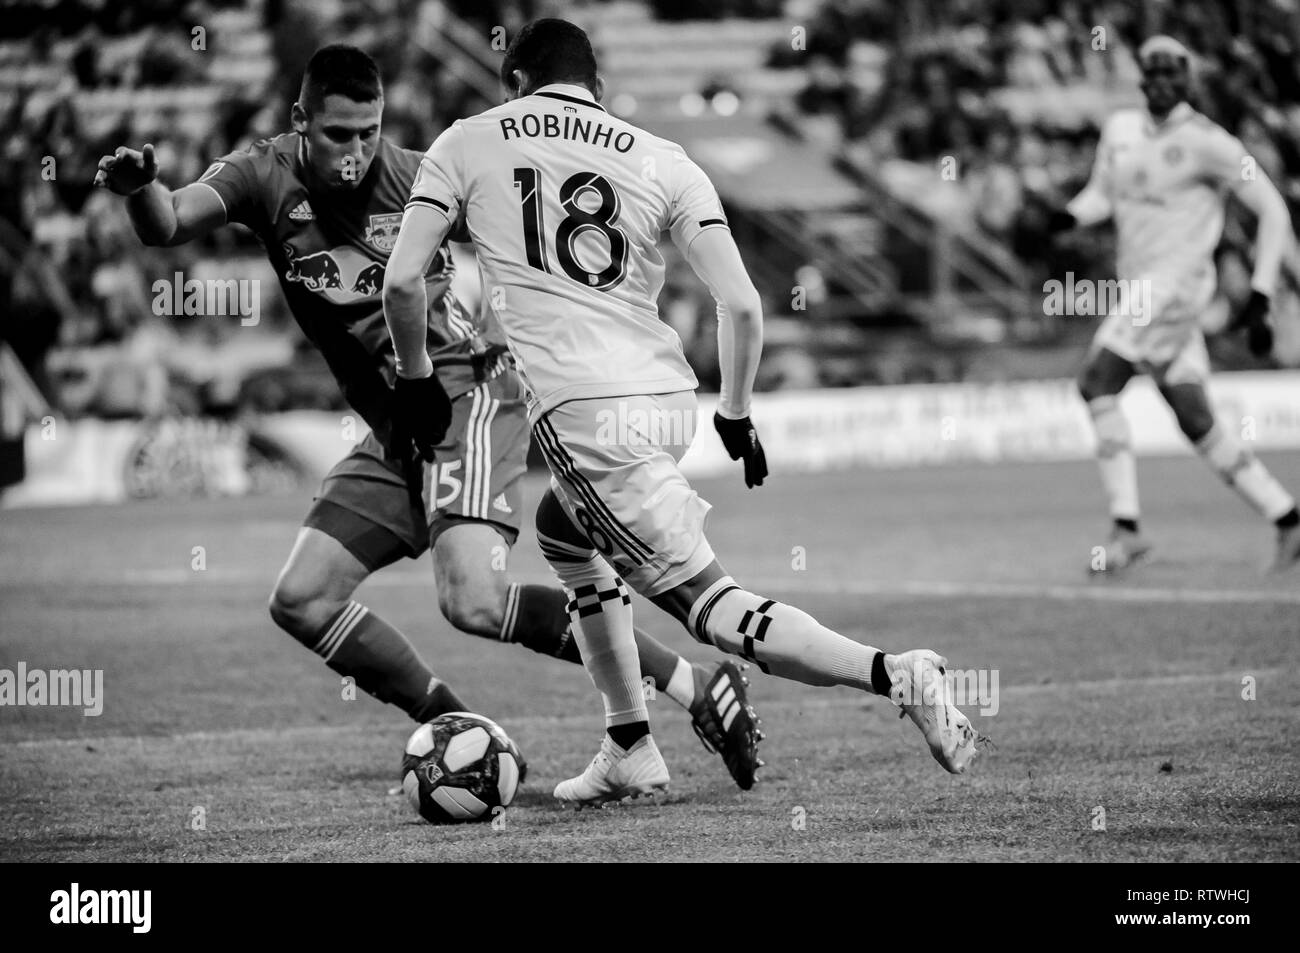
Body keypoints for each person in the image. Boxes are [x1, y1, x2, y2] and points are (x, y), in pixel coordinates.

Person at [93, 43, 761, 789]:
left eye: (367, 132)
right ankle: (463, 729)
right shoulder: (261, 174)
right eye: (337, 134)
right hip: (396, 429)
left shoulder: (424, 175)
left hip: (465, 397)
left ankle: (690, 683)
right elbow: (169, 223)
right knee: (302, 600)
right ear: (299, 121)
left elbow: (541, 244)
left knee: (471, 600)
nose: (354, 152)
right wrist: (141, 189)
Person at [384, 19, 982, 806]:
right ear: (595, 88)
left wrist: (419, 374)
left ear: (515, 83)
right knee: (566, 531)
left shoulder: (468, 140)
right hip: (667, 401)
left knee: (709, 606)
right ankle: (629, 741)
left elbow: (401, 282)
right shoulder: (663, 156)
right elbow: (742, 303)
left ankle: (898, 672)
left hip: (583, 413)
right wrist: (735, 411)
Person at [1049, 35, 1300, 573]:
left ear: (1189, 80)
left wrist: (1260, 295)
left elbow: (1273, 210)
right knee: (1193, 416)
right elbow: (1101, 194)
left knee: (1095, 382)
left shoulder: (1212, 144)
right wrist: (1065, 217)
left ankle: (1127, 527)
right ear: (1140, 78)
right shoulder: (1119, 129)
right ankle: (1288, 519)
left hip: (1175, 287)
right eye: (1152, 72)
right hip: (1143, 289)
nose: (1161, 82)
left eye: (1173, 73)